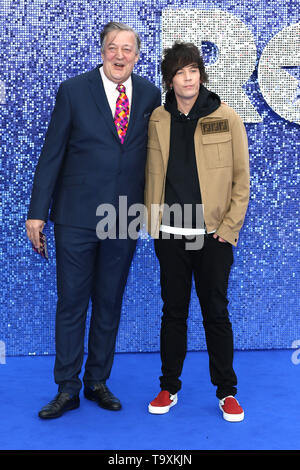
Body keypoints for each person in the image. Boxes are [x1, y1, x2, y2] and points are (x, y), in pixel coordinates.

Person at [26, 22, 161, 419]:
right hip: (76, 218)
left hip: (124, 218)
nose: (120, 56)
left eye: (128, 49)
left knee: (108, 303)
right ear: (102, 51)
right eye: (112, 48)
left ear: (138, 55)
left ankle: (97, 381)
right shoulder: (73, 90)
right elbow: (51, 154)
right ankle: (66, 388)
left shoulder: (152, 95)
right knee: (72, 303)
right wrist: (37, 213)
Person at [145, 42, 250, 422]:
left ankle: (226, 392)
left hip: (213, 236)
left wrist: (228, 229)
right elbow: (149, 172)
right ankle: (169, 386)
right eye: (179, 72)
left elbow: (241, 181)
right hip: (170, 234)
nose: (187, 78)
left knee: (215, 313)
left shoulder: (227, 117)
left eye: (192, 70)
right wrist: (152, 224)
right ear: (169, 79)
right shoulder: (157, 117)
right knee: (173, 313)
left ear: (201, 75)